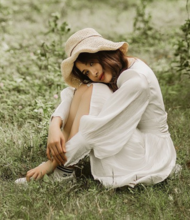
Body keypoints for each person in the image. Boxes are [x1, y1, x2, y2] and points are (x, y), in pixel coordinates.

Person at [15, 28, 179, 188]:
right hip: (137, 139)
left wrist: (49, 164)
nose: (93, 73)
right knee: (86, 89)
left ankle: (63, 168)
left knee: (94, 90)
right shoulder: (123, 66)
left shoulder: (137, 81)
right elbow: (73, 94)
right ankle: (64, 169)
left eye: (93, 63)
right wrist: (54, 123)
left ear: (105, 53)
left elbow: (97, 130)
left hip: (149, 155)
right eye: (86, 71)